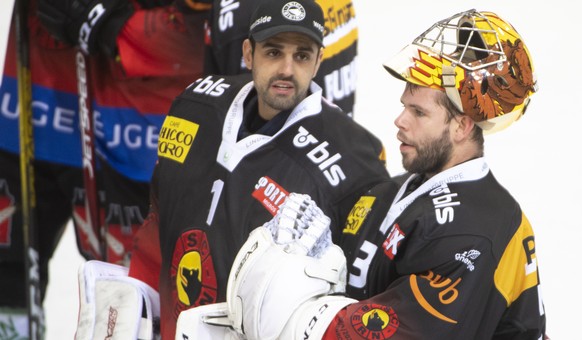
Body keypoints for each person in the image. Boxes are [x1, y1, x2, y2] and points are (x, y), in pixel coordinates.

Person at [181, 9, 547, 339]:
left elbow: (403, 331)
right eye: (404, 106)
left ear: (462, 127)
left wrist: (297, 318)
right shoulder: (393, 192)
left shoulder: (478, 229)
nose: (399, 121)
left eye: (418, 113)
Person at [114, 0, 393, 338]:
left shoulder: (355, 160)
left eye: (302, 55)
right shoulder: (194, 108)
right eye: (273, 53)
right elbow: (159, 224)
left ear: (319, 60)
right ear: (248, 53)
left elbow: (361, 295)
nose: (287, 70)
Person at [0, 0, 208, 337]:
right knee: (9, 272)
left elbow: (220, 29)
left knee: (129, 291)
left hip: (139, 127)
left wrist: (115, 27)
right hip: (33, 100)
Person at [204, 0, 358, 117]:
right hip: (333, 140)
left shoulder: (243, 12)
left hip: (284, 150)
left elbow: (243, 106)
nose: (286, 70)